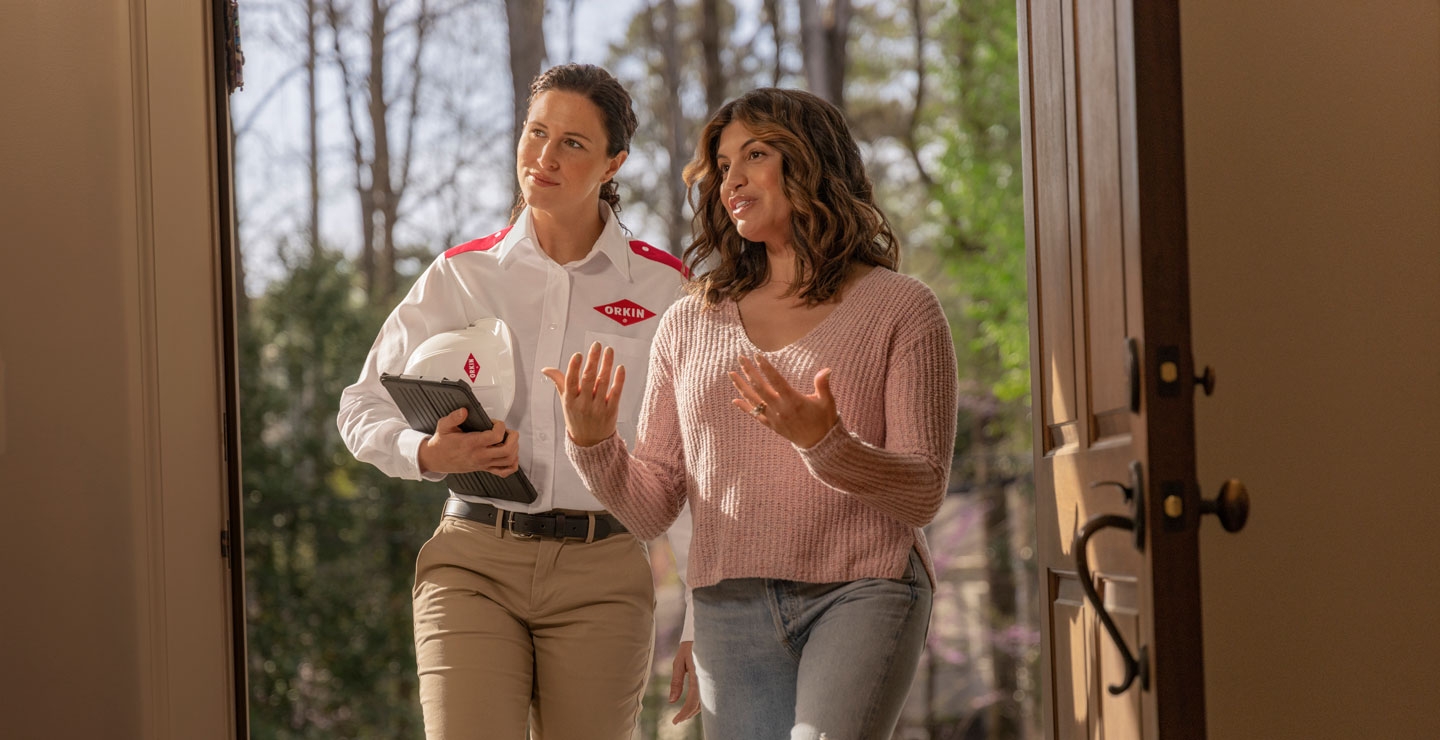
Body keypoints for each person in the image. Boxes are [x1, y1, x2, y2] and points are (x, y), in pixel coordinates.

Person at [544, 87, 959, 740]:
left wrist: (827, 444)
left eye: (756, 154)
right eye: (724, 164)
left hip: (863, 588)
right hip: (727, 608)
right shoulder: (690, 320)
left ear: (812, 162)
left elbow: (923, 491)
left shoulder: (901, 307)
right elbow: (654, 505)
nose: (731, 179)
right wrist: (594, 446)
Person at [337, 63, 697, 740]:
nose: (544, 156)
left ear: (614, 162)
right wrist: (427, 451)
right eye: (536, 133)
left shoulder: (664, 289)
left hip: (605, 574)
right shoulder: (460, 275)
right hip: (473, 561)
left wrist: (703, 620)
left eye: (573, 143)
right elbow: (361, 407)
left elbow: (688, 462)